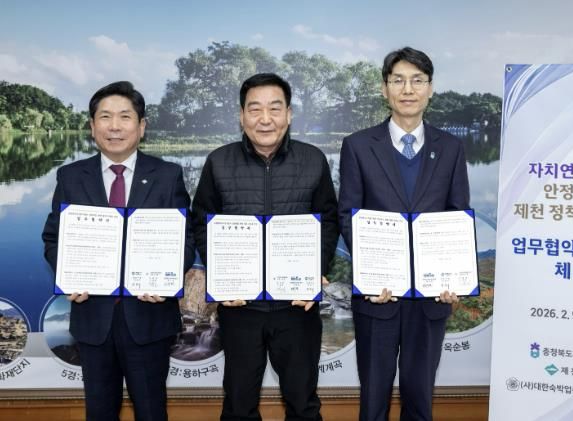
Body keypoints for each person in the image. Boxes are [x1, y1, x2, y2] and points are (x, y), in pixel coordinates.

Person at [42, 81, 195, 421]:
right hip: (93, 318)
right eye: (105, 117)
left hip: (149, 318)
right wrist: (68, 275)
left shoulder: (167, 175)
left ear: (141, 126)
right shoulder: (70, 176)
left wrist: (167, 279)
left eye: (125, 117)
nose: (114, 126)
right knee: (99, 412)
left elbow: (184, 239)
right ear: (92, 125)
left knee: (151, 411)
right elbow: (54, 238)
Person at [192, 73, 338, 421]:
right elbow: (202, 223)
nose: (265, 118)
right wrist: (221, 277)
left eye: (275, 108)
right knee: (239, 404)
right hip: (241, 307)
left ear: (289, 114)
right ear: (241, 116)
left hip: (296, 307)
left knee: (303, 403)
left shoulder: (313, 159)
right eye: (254, 109)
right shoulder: (219, 161)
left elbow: (329, 221)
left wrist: (315, 271)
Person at [338, 47, 470, 421]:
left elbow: (457, 215)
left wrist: (453, 276)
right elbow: (348, 214)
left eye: (417, 80)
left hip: (430, 299)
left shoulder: (451, 148)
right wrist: (371, 273)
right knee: (373, 400)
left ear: (430, 88)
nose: (407, 89)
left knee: (419, 398)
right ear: (385, 89)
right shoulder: (358, 146)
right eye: (398, 80)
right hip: (377, 296)